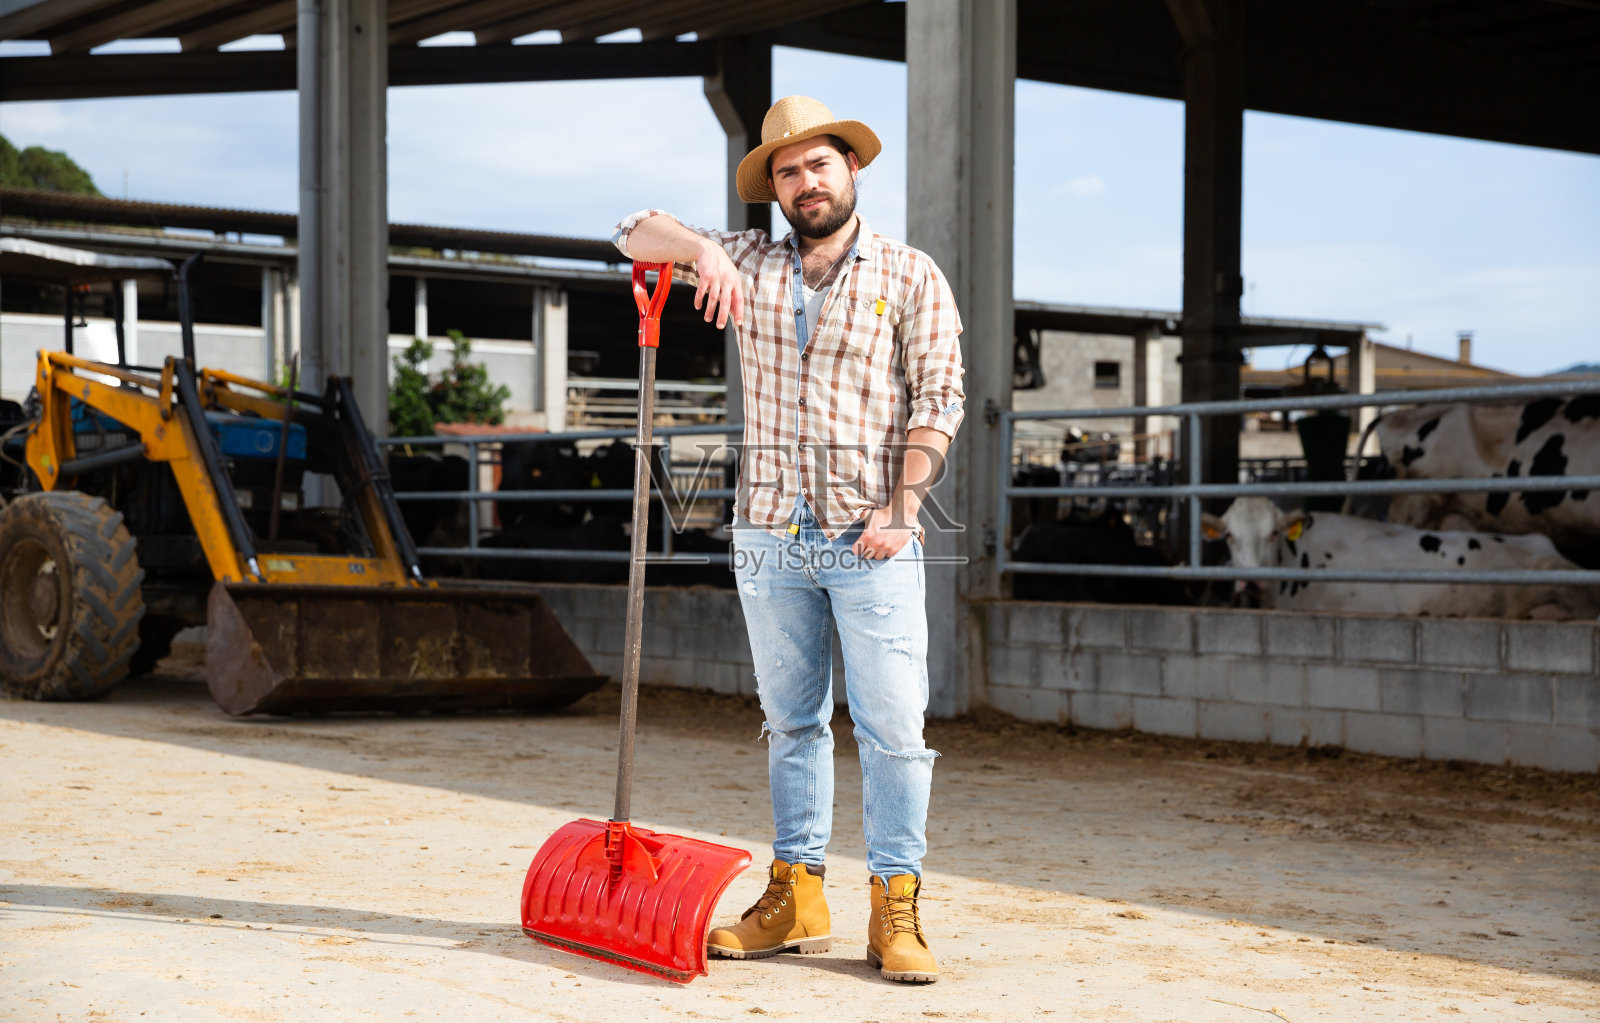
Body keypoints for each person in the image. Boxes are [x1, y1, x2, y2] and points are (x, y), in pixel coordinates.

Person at [611, 94, 965, 984]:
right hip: (769, 532)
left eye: (819, 165)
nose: (805, 182)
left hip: (867, 535)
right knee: (791, 723)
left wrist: (903, 504)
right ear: (772, 187)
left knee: (892, 728)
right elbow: (629, 233)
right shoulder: (749, 263)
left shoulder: (910, 273)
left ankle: (896, 903)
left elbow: (940, 396)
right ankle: (797, 890)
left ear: (851, 170)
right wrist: (697, 251)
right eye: (786, 170)